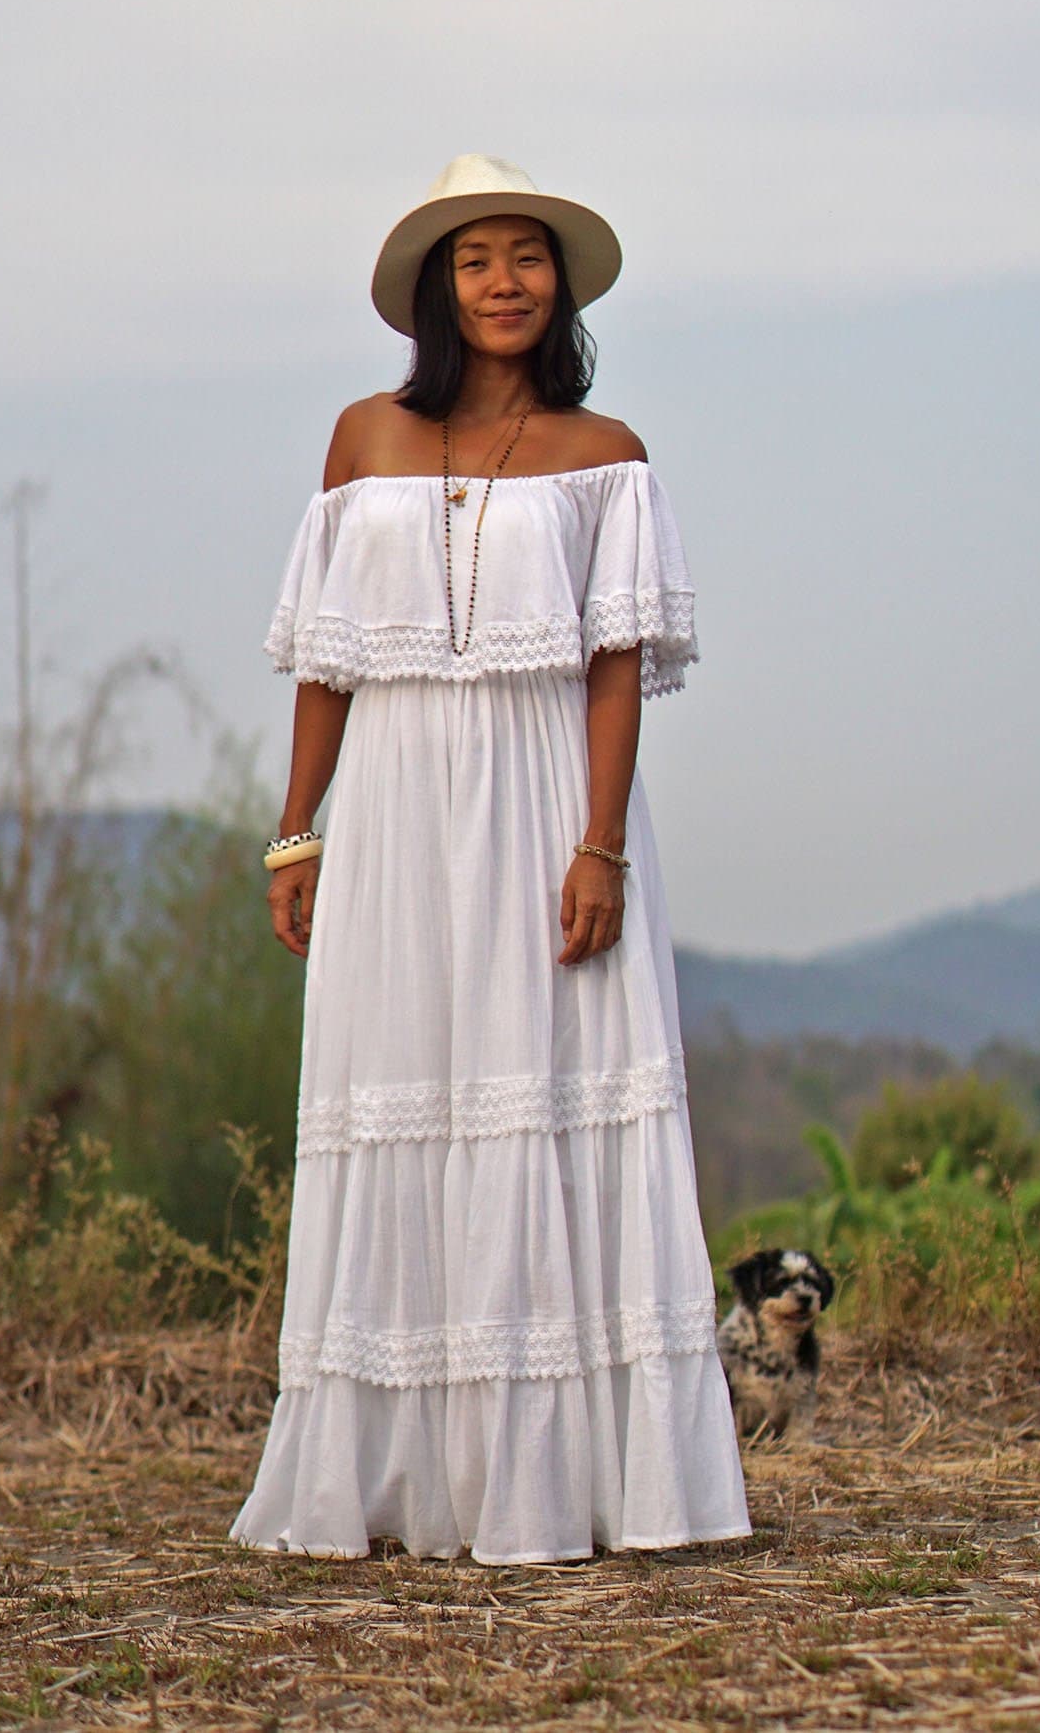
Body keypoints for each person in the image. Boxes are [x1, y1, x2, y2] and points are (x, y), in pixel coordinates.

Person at [229, 154, 752, 1565]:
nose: (506, 280)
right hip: (394, 809)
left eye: (528, 256)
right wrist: (298, 828)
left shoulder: (607, 455)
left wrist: (600, 846)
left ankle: (575, 1483)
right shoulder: (360, 441)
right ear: (436, 291)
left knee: (551, 1092)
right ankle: (398, 1478)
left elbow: (616, 671)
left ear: (558, 287)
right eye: (478, 260)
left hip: (542, 804)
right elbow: (327, 662)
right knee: (403, 1088)